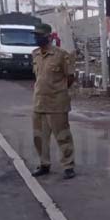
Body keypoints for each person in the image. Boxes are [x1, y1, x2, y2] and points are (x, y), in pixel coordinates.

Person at [30, 23, 76, 180]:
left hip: (57, 103)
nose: (36, 38)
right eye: (35, 36)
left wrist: (59, 90)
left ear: (48, 37)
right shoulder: (35, 54)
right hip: (39, 103)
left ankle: (68, 165)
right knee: (39, 137)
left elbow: (69, 77)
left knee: (63, 136)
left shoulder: (61, 55)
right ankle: (44, 164)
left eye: (39, 36)